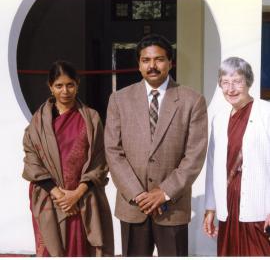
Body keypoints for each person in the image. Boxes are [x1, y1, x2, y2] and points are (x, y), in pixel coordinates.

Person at [104, 34, 208, 256]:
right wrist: (138, 194)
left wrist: (164, 192)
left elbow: (195, 155)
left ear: (170, 62)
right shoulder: (119, 99)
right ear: (139, 64)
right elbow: (113, 151)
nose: (152, 66)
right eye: (145, 60)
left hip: (172, 206)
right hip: (133, 205)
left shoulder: (192, 100)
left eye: (159, 59)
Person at [22, 60, 114, 257]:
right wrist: (60, 195)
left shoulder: (91, 118)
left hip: (84, 198)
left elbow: (100, 159)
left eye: (70, 84)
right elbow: (32, 162)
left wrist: (76, 194)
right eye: (59, 85)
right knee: (52, 248)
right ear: (50, 87)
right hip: (50, 198)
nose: (65, 91)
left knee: (81, 249)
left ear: (77, 84)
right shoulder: (37, 125)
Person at [204, 57, 270, 256]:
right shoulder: (219, 119)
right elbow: (213, 165)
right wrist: (210, 208)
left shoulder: (266, 112)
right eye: (225, 82)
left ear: (248, 82)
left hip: (259, 206)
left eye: (237, 82)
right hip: (229, 205)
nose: (231, 89)